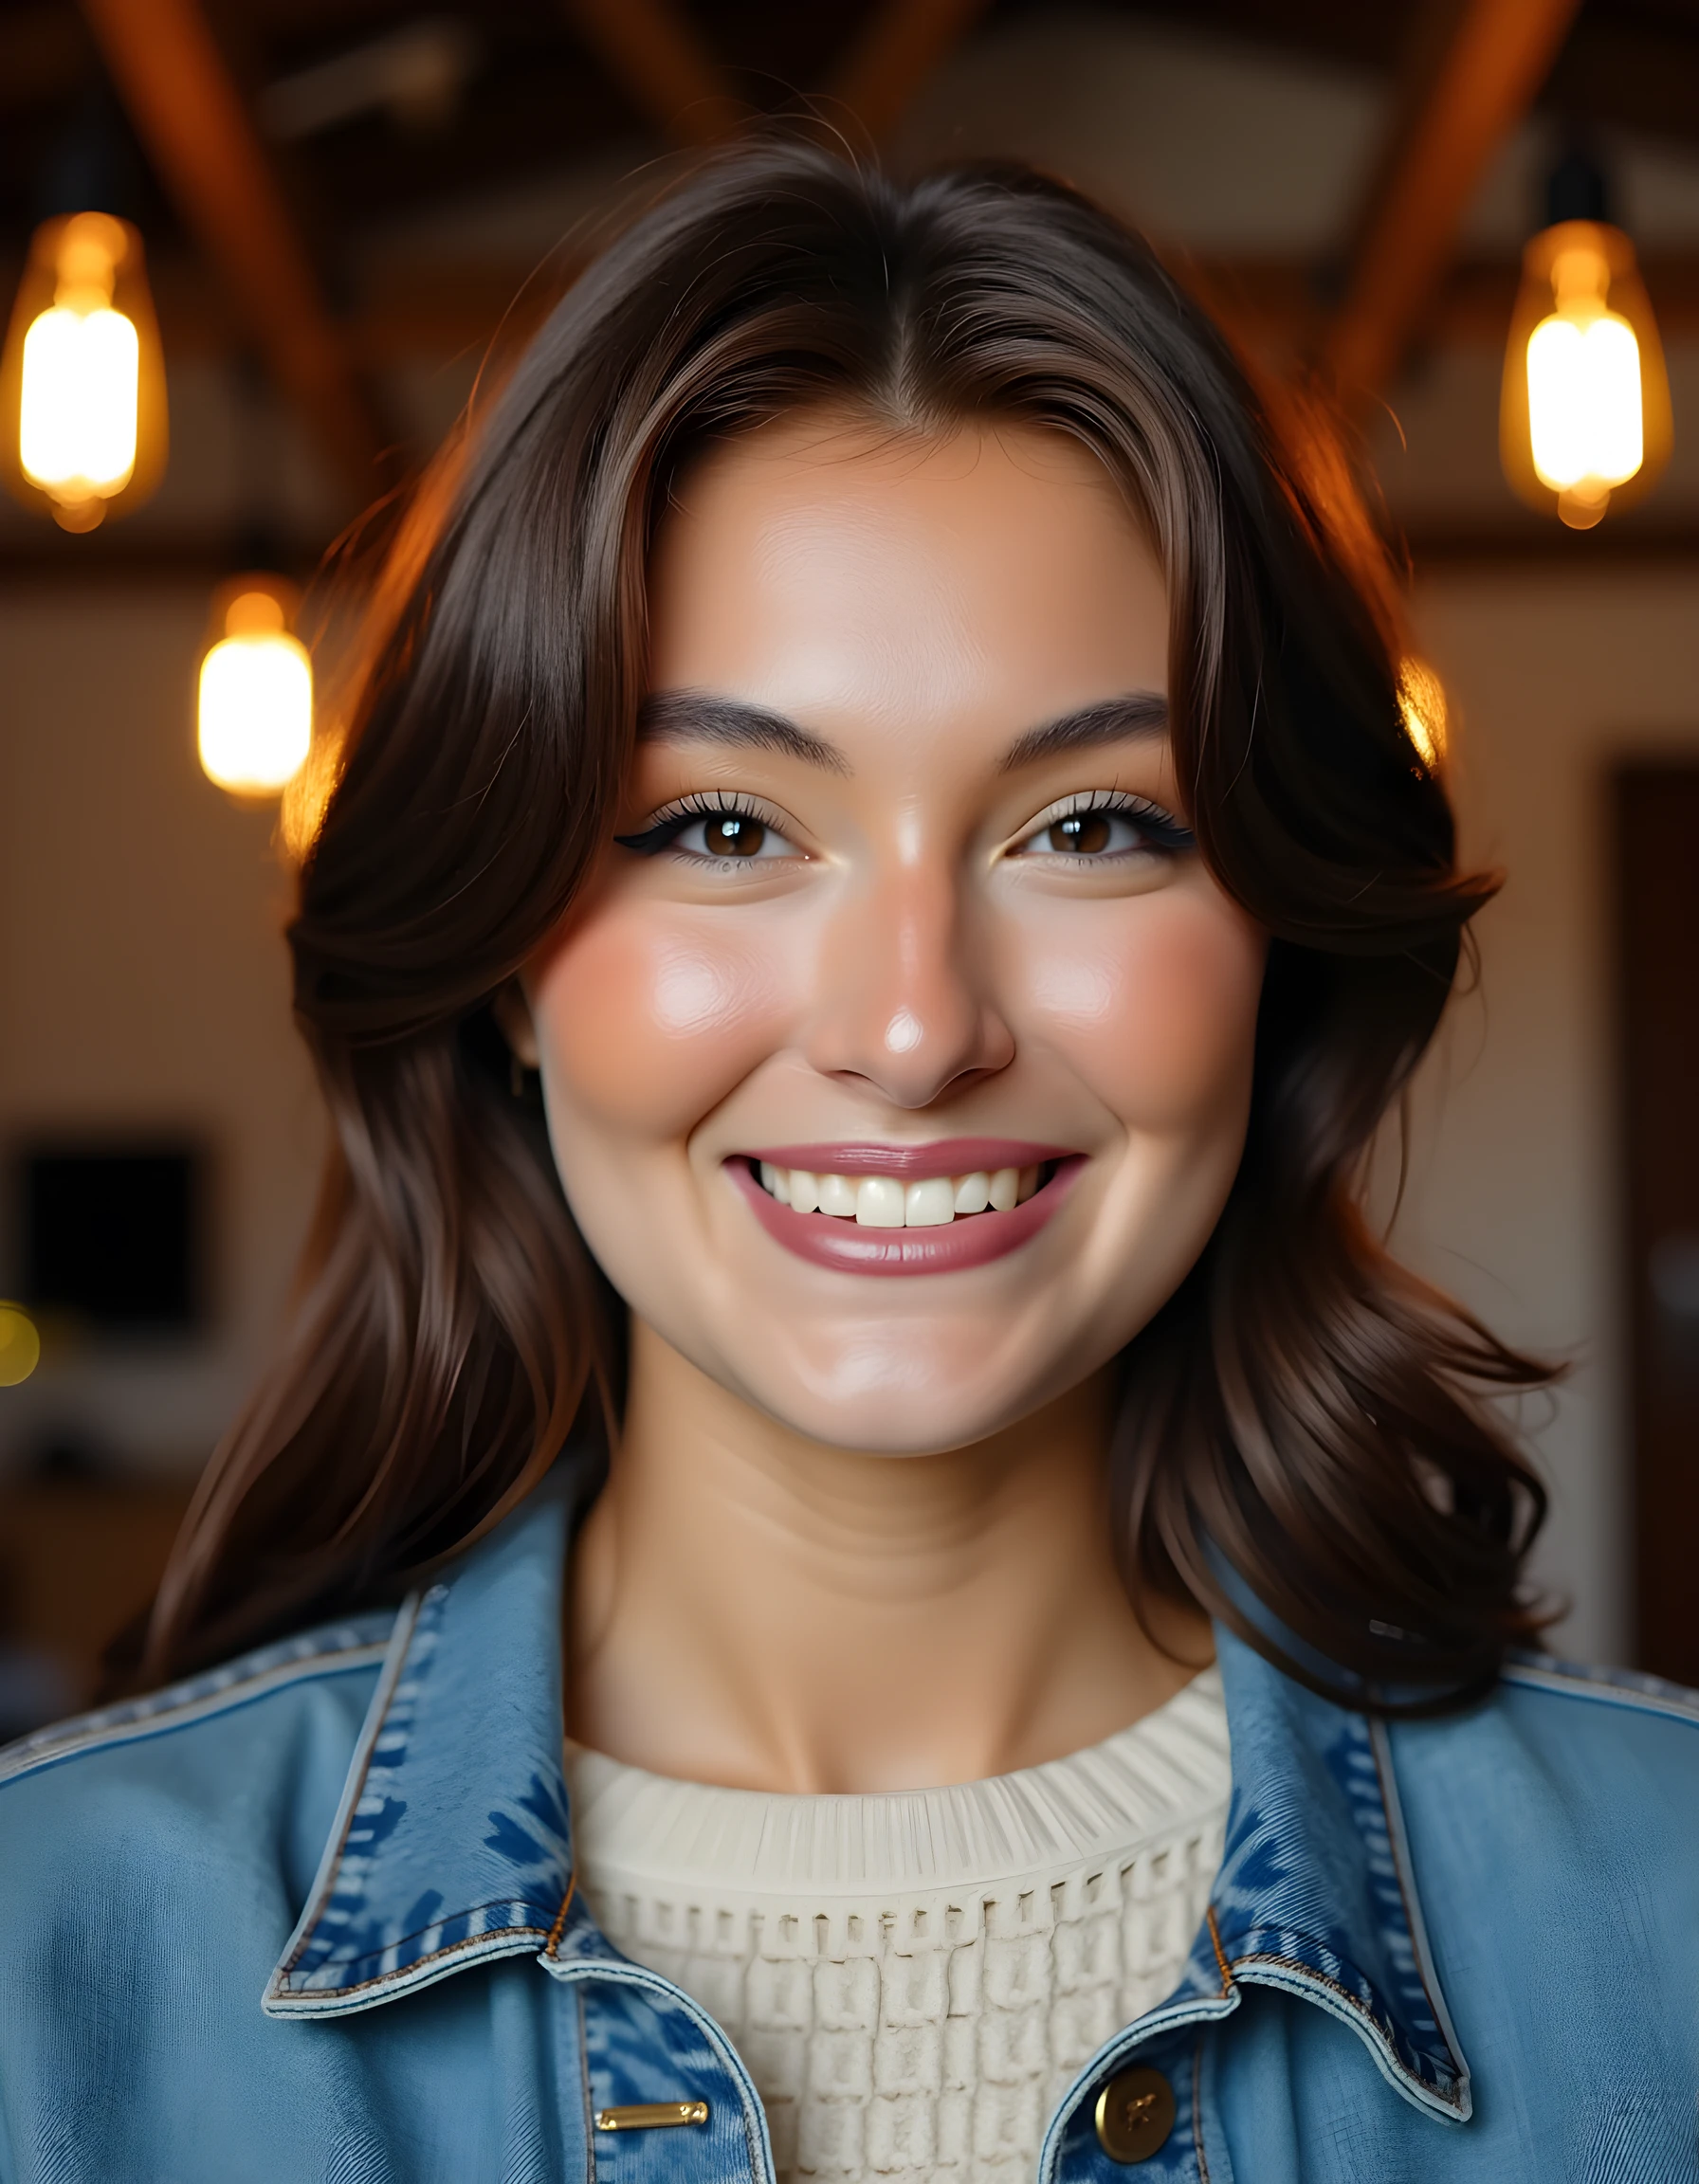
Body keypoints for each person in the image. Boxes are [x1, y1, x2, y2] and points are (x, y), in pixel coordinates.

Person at [1, 143, 1693, 2184]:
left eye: (1088, 826)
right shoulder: (54, 1968)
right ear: (512, 974)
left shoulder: (1657, 1926)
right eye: (720, 828)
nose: (909, 1027)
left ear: (1277, 946)